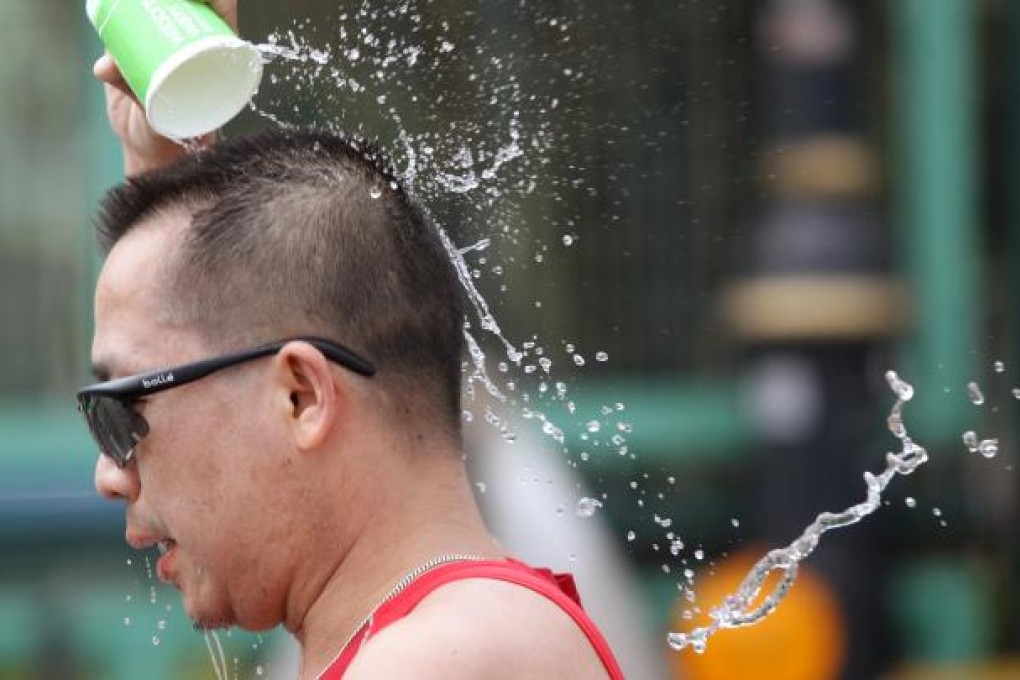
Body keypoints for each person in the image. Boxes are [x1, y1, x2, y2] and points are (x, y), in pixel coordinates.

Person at [82, 3, 625, 678]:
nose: (110, 473)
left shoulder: (451, 652)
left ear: (301, 396)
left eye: (121, 408)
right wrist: (164, 167)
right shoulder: (450, 629)